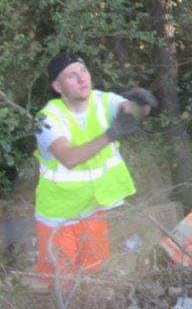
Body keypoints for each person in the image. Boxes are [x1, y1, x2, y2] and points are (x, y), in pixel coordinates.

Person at [28, 52, 156, 292]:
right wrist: (110, 135)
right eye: (71, 76)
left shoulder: (102, 101)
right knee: (59, 282)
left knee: (92, 275)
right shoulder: (46, 118)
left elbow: (130, 110)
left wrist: (141, 105)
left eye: (83, 71)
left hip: (94, 208)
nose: (82, 78)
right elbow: (69, 158)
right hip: (59, 216)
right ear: (57, 86)